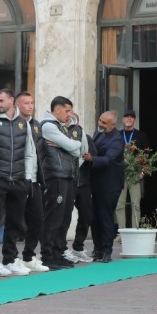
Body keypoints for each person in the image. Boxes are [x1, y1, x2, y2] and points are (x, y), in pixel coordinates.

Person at [0, 88, 35, 276]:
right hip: (0, 180)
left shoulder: (24, 124)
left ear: (12, 101)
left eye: (1, 100)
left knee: (15, 222)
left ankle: (10, 258)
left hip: (19, 180)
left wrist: (28, 177)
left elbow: (29, 152)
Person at [39, 96, 86, 270]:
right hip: (55, 175)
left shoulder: (61, 127)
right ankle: (47, 255)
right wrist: (68, 145)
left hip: (67, 175)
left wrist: (67, 145)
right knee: (54, 217)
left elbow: (79, 149)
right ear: (57, 109)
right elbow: (73, 146)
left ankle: (58, 253)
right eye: (67, 111)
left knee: (64, 217)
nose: (69, 115)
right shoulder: (49, 126)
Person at [16, 92, 49, 272]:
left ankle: (29, 255)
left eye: (32, 103)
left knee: (37, 220)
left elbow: (41, 151)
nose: (31, 106)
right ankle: (11, 257)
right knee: (15, 220)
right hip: (18, 179)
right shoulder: (13, 125)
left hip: (35, 181)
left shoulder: (36, 126)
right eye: (27, 103)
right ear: (17, 105)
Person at [89, 110, 124, 262]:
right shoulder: (99, 133)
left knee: (105, 218)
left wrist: (91, 159)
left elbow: (107, 160)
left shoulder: (117, 140)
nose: (100, 124)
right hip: (96, 184)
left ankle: (106, 251)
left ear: (113, 124)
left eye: (104, 122)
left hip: (110, 186)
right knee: (94, 218)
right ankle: (97, 249)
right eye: (100, 120)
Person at [66, 111, 95, 263]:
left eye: (72, 119)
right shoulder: (60, 135)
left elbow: (93, 157)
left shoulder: (86, 137)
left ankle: (78, 247)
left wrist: (89, 157)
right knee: (64, 216)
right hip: (67, 182)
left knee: (86, 215)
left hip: (83, 183)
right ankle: (62, 248)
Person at [116, 109, 150, 229]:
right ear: (123, 119)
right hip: (120, 174)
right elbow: (113, 154)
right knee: (119, 204)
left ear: (134, 120)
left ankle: (135, 230)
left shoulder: (141, 135)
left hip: (136, 174)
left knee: (136, 204)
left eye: (131, 117)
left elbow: (146, 157)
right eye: (126, 117)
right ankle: (121, 232)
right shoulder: (117, 135)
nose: (129, 119)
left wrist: (142, 173)